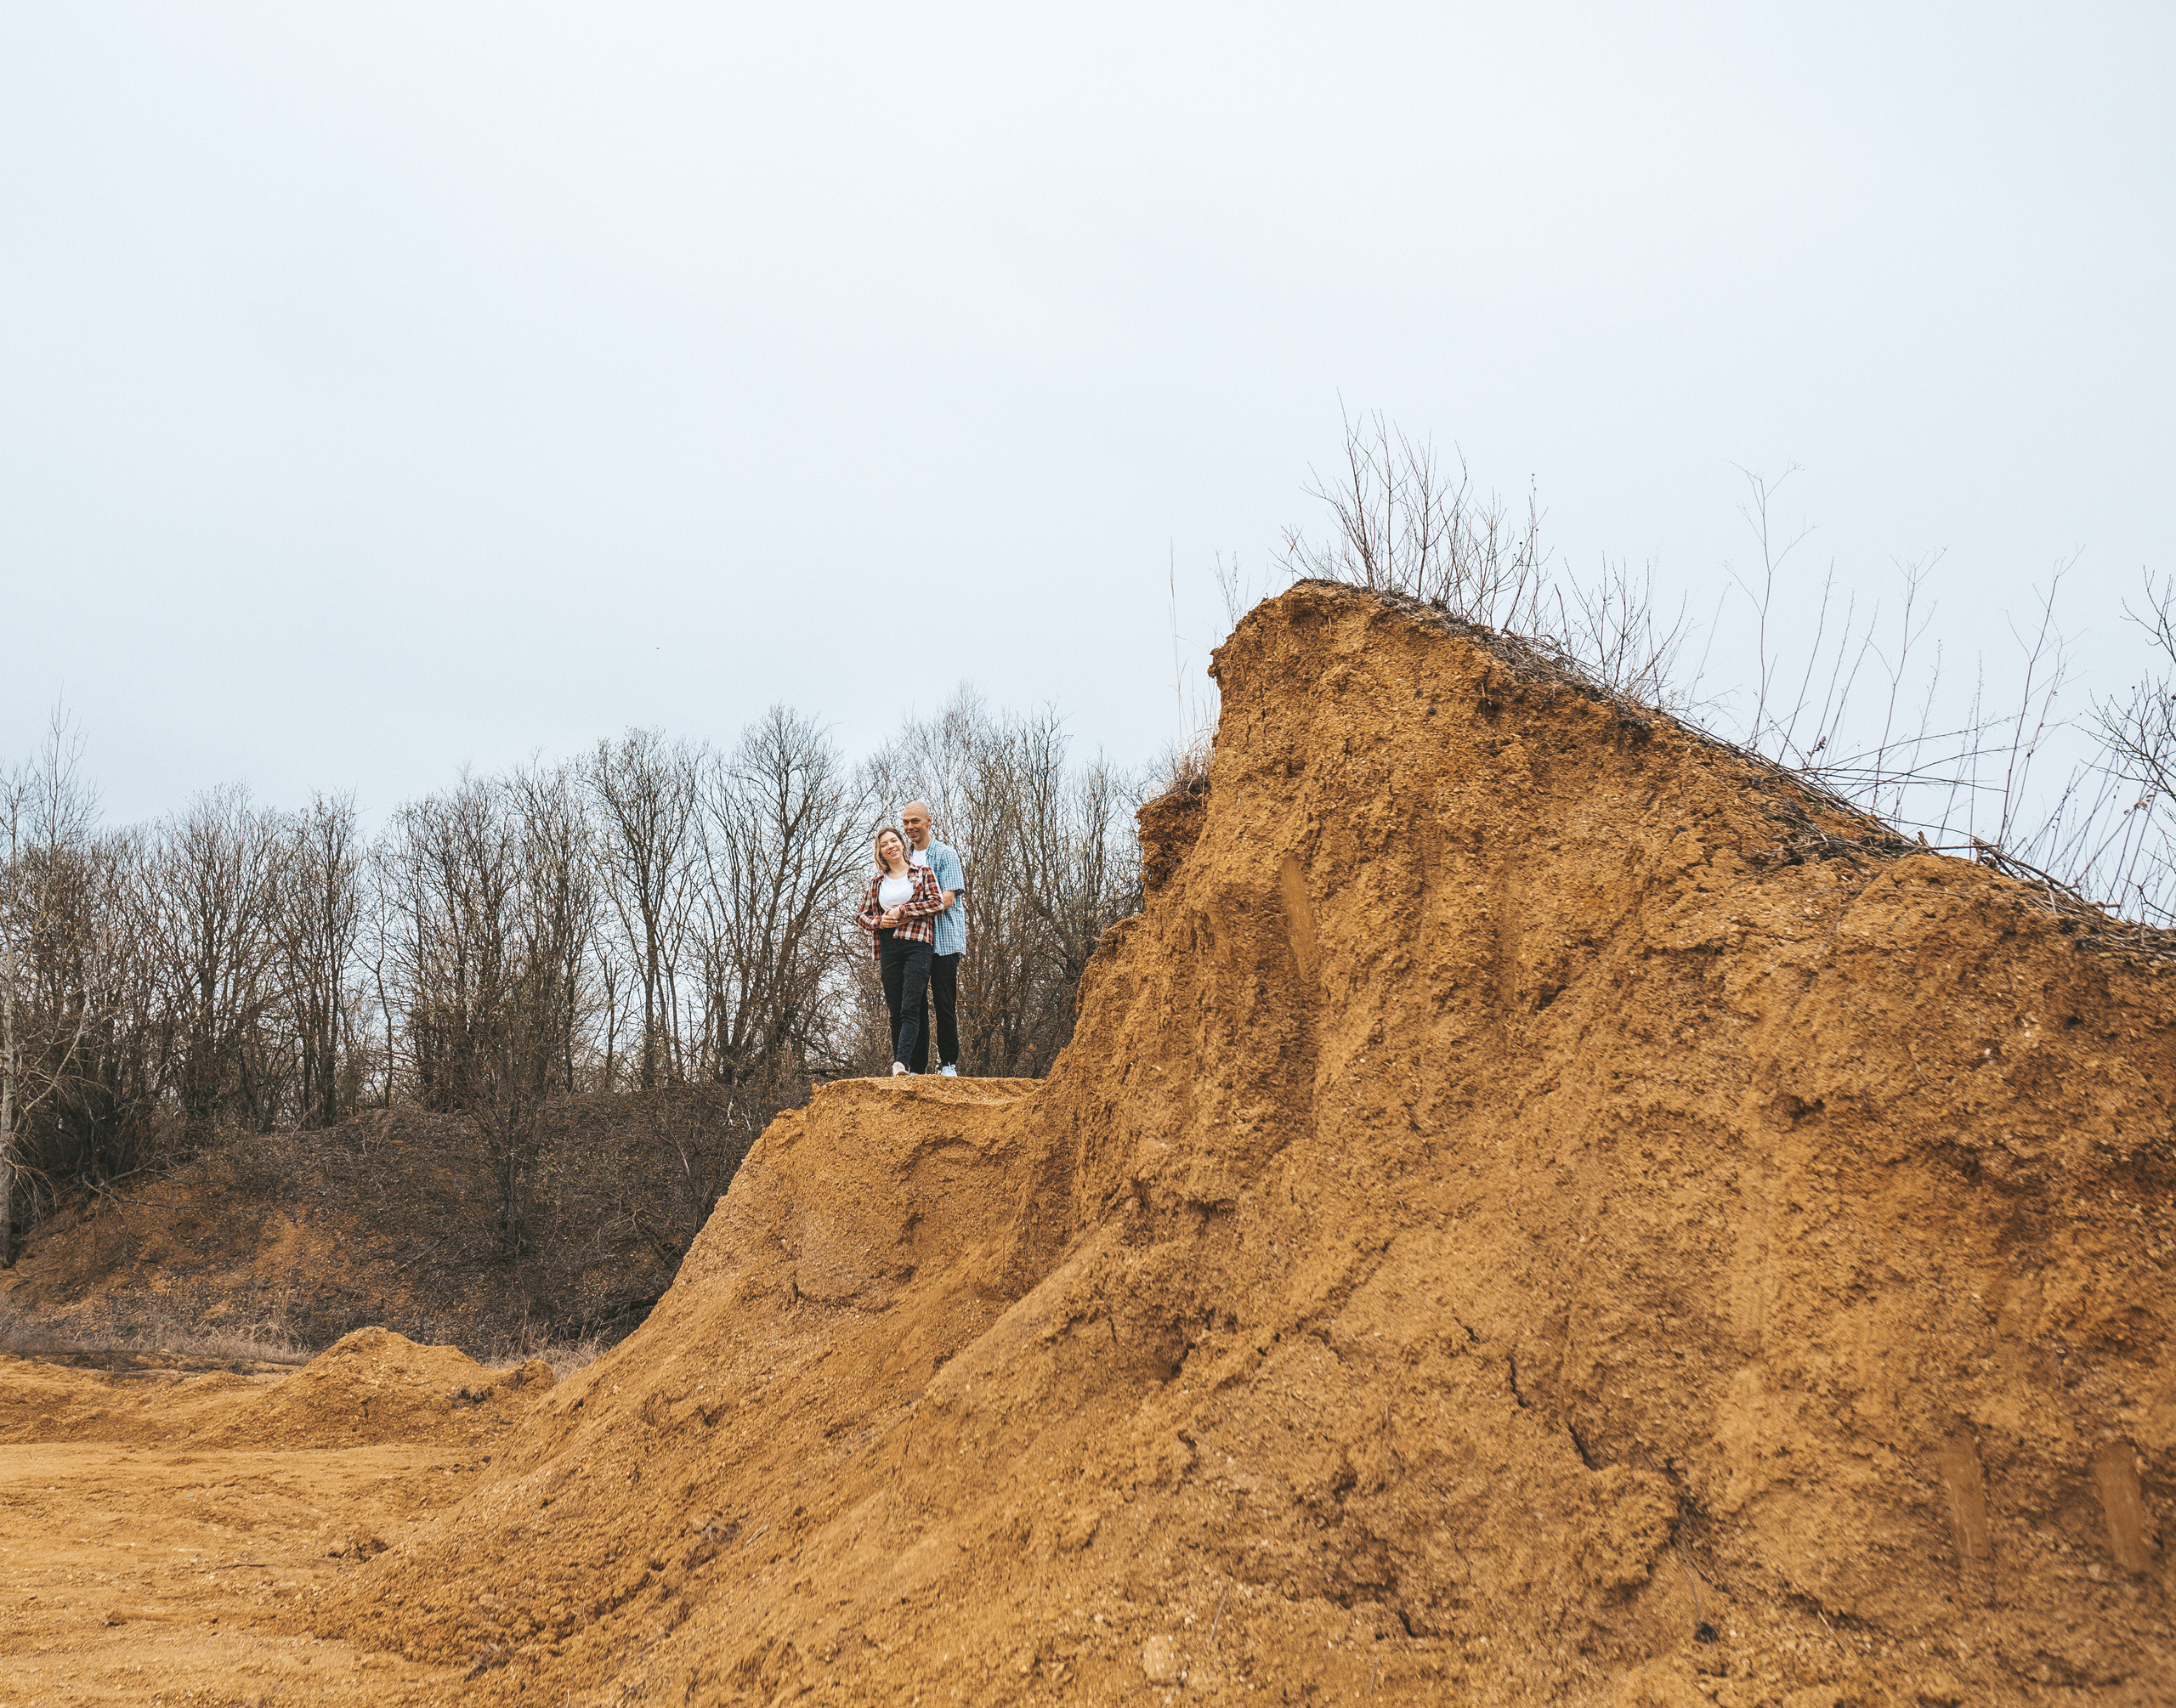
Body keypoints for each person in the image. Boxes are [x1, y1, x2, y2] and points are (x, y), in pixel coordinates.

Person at [855, 825, 947, 1076]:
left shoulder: (923, 872)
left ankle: (903, 1063)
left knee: (911, 1006)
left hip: (917, 944)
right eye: (884, 844)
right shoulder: (877, 882)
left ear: (902, 844)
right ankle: (905, 1068)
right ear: (880, 852)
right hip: (888, 946)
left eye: (893, 841)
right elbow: (861, 915)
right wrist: (879, 922)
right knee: (895, 1010)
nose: (890, 846)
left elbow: (937, 902)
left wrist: (903, 910)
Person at [900, 799, 965, 1076]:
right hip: (915, 942)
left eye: (915, 821)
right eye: (906, 822)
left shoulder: (946, 855)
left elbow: (947, 900)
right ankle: (917, 1067)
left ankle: (948, 1063)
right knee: (914, 1004)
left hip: (944, 940)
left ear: (928, 821)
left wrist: (909, 910)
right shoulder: (903, 859)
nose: (910, 827)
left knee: (944, 1002)